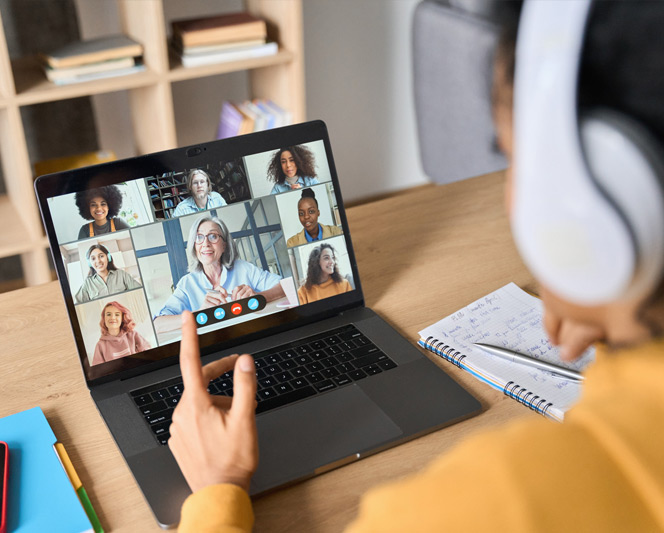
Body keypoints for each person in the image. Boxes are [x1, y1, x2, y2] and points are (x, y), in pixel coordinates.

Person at [168, 2, 664, 531]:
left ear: (605, 206)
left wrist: (217, 491)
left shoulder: (485, 505)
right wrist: (616, 319)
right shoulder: (186, 283)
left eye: (514, 160)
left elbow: (283, 287)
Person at [153, 215, 285, 333]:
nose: (205, 243)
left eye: (213, 236)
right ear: (194, 246)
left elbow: (284, 286)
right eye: (199, 237)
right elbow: (158, 324)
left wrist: (256, 298)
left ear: (224, 245)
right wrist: (199, 314)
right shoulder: (187, 283)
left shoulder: (243, 268)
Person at [74, 244, 142, 303]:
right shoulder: (88, 283)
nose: (98, 261)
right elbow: (77, 305)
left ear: (108, 257)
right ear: (90, 263)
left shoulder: (121, 274)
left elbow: (139, 292)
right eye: (93, 258)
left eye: (101, 256)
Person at [91, 301, 151, 365]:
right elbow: (98, 371)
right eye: (108, 314)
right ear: (104, 318)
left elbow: (148, 353)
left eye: (117, 314)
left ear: (122, 318)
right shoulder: (100, 345)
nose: (112, 318)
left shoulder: (133, 334)